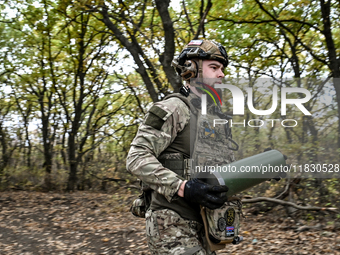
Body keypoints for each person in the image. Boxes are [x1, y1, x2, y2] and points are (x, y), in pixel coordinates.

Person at [126, 39, 236, 255]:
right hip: (171, 222)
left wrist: (259, 170)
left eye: (222, 69)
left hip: (206, 223)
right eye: (214, 67)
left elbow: (220, 171)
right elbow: (136, 157)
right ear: (190, 69)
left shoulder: (213, 118)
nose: (221, 74)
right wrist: (183, 187)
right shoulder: (173, 108)